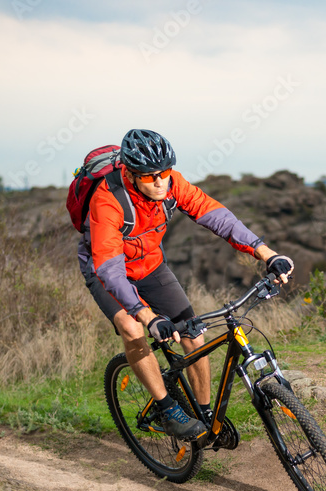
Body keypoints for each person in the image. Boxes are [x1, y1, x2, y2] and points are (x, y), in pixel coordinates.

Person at [78, 129, 295, 441]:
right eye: (150, 176)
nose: (160, 182)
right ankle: (168, 410)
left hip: (151, 264)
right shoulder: (107, 201)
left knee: (193, 332)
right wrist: (146, 315)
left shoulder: (171, 185)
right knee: (132, 327)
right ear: (131, 173)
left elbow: (217, 216)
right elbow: (110, 271)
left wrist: (266, 253)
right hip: (106, 270)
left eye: (164, 173)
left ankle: (205, 416)